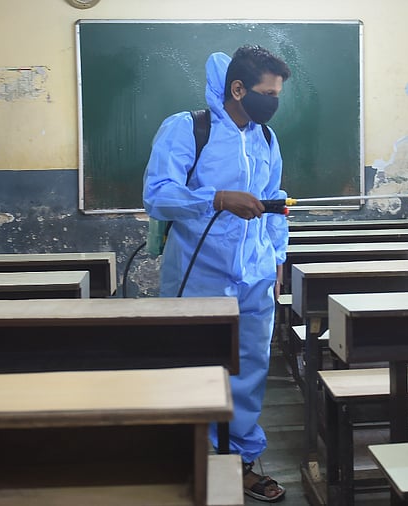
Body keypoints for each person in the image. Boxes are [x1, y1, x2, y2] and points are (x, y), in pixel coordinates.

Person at [143, 45, 291, 502]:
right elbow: (158, 194)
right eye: (267, 93)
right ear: (239, 89)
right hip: (198, 274)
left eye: (277, 95)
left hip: (255, 277)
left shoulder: (266, 139)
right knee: (193, 367)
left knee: (248, 370)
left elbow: (274, 203)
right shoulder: (188, 128)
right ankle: (191, 461)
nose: (272, 102)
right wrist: (217, 198)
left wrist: (277, 259)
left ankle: (240, 460)